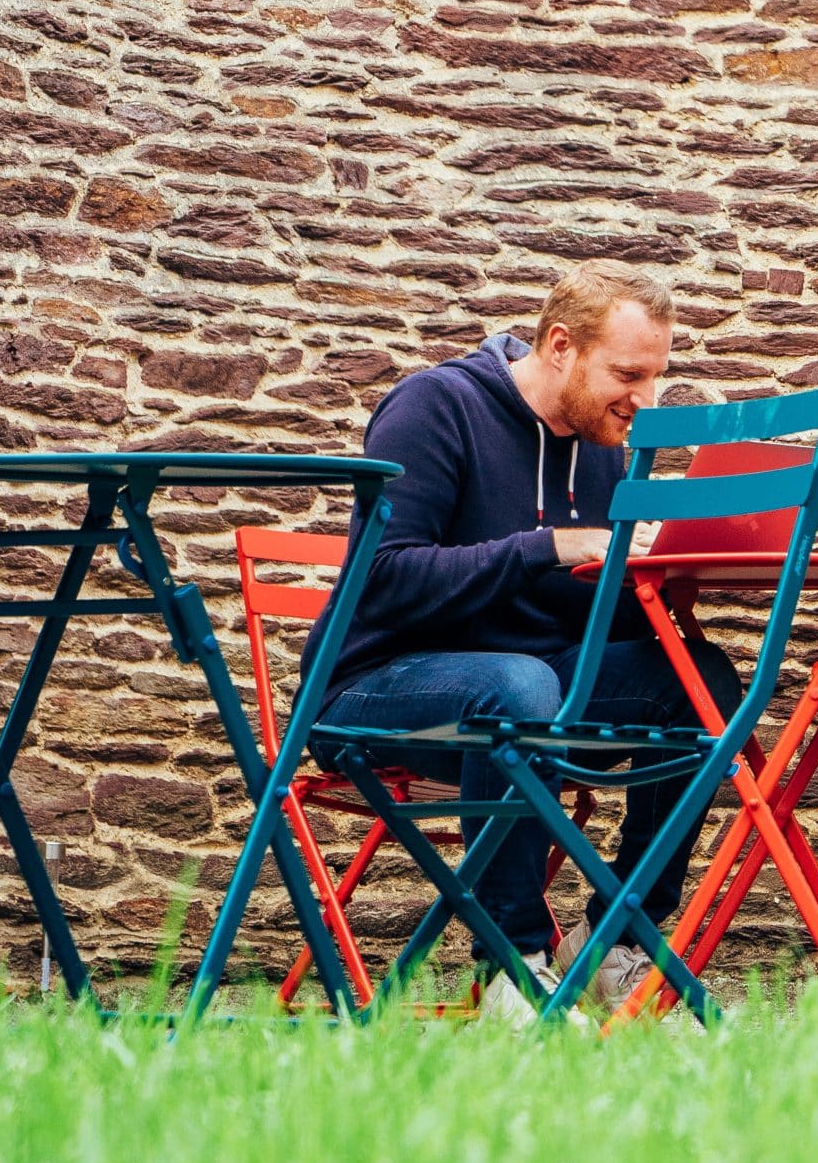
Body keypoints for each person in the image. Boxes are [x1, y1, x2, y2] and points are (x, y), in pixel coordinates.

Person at [307, 264, 739, 1024]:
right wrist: (548, 546)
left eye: (656, 378)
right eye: (628, 374)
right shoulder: (435, 406)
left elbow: (579, 605)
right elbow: (381, 579)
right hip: (375, 688)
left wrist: (661, 578)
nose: (643, 399)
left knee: (699, 680)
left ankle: (613, 935)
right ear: (562, 345)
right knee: (518, 686)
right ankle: (515, 964)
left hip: (533, 685)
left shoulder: (603, 443)